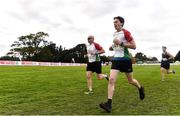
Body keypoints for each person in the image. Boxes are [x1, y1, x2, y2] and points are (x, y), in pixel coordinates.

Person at [99, 16, 145, 113]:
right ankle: (109, 104)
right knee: (111, 80)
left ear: (121, 23)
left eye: (116, 22)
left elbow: (134, 46)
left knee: (131, 80)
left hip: (125, 60)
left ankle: (140, 88)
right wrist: (112, 47)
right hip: (116, 60)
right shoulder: (114, 34)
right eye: (114, 22)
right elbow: (116, 45)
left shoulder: (126, 33)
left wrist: (121, 43)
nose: (114, 24)